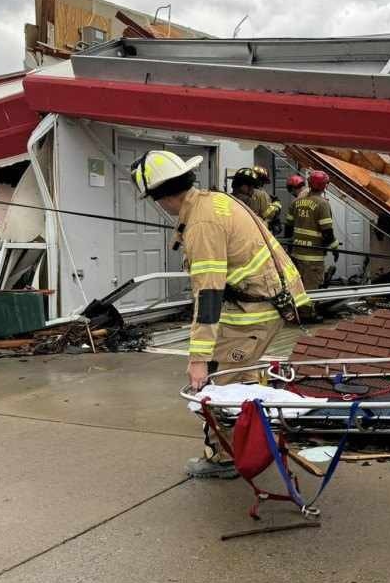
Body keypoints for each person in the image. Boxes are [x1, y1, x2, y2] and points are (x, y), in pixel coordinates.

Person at [131, 149, 308, 479]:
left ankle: (223, 458)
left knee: (216, 383)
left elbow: (209, 295)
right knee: (244, 374)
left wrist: (199, 357)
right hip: (267, 303)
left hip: (255, 312)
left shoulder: (203, 224)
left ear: (159, 196)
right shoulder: (214, 201)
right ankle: (257, 440)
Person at [284, 169, 338, 291]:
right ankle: (308, 310)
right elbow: (327, 233)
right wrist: (335, 248)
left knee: (298, 290)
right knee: (311, 293)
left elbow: (288, 228)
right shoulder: (322, 204)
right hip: (313, 259)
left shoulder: (296, 202)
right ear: (325, 185)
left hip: (296, 255)